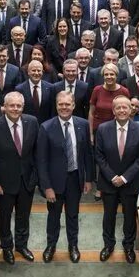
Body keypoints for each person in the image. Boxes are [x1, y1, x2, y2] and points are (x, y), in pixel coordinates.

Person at [0, 91, 39, 264]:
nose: (15, 109)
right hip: (4, 183)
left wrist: (36, 177)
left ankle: (21, 245)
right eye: (11, 105)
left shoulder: (32, 122)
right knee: (5, 217)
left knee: (23, 216)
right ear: (4, 107)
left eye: (19, 106)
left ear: (23, 107)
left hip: (26, 181)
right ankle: (7, 247)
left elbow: (37, 152)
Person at [37, 90, 92, 263]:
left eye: (67, 104)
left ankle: (73, 245)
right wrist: (47, 187)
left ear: (74, 105)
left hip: (75, 179)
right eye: (61, 104)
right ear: (56, 105)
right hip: (54, 183)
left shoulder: (83, 124)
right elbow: (41, 160)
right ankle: (51, 245)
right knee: (53, 216)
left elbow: (87, 155)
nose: (64, 107)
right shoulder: (46, 127)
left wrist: (88, 179)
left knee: (73, 215)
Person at [94, 95, 139, 263]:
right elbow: (99, 156)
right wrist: (112, 177)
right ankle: (108, 245)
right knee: (109, 215)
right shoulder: (103, 129)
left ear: (131, 109)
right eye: (118, 108)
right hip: (108, 182)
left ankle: (128, 246)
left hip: (130, 182)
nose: (122, 110)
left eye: (126, 107)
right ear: (113, 110)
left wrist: (124, 178)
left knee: (130, 216)